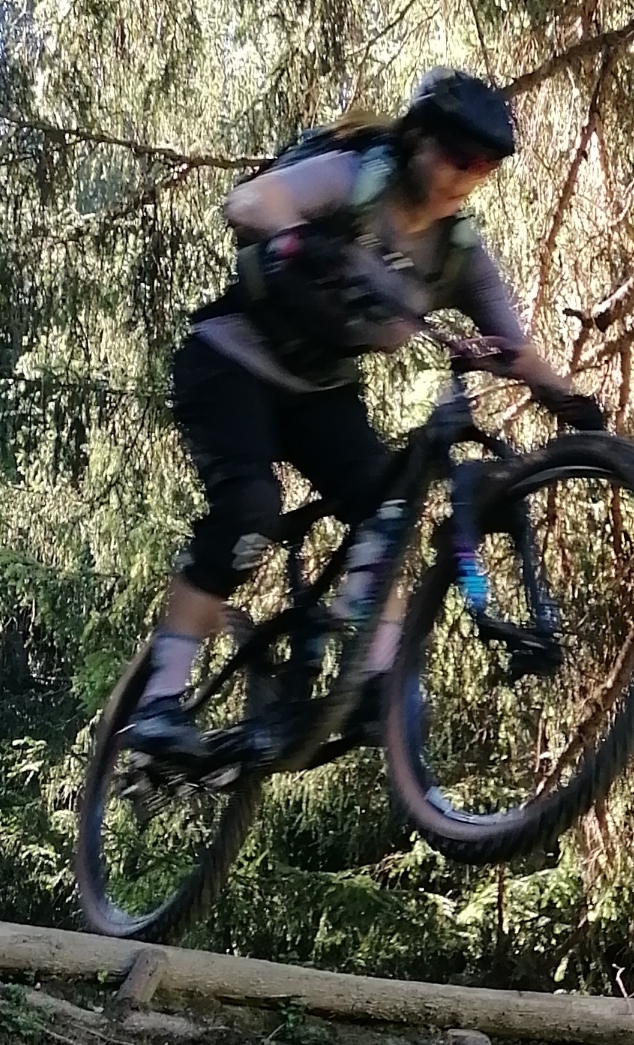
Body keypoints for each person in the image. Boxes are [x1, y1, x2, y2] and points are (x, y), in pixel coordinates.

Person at [125, 66, 601, 762]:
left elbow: (513, 348)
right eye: (458, 154)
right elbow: (248, 204)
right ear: (416, 141)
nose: (467, 175)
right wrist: (301, 239)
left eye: (485, 166)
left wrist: (566, 399)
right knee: (249, 512)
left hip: (322, 392)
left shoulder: (457, 256)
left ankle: (373, 676)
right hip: (230, 361)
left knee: (389, 507)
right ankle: (157, 703)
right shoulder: (354, 179)